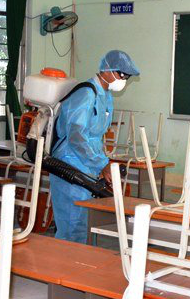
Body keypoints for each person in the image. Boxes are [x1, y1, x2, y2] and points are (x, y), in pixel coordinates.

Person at [50, 50, 140, 243]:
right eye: (121, 74)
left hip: (87, 166)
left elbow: (95, 138)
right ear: (106, 70)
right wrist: (101, 163)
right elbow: (77, 137)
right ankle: (64, 269)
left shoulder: (105, 96)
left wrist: (101, 164)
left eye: (127, 76)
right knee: (72, 228)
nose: (123, 80)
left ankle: (79, 267)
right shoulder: (85, 94)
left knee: (85, 226)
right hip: (69, 165)